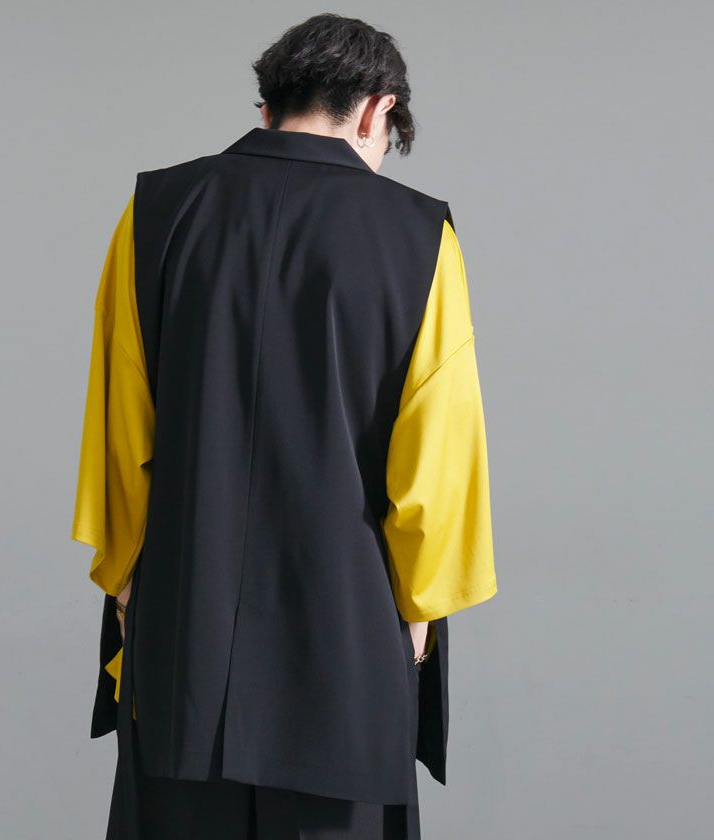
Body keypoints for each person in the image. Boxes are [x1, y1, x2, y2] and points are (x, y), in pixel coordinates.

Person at [71, 13, 497, 840]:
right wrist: (419, 612)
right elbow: (436, 455)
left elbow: (122, 418)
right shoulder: (420, 237)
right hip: (345, 641)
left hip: (182, 629)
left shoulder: (155, 211)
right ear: (377, 110)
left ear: (268, 106)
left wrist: (124, 576)